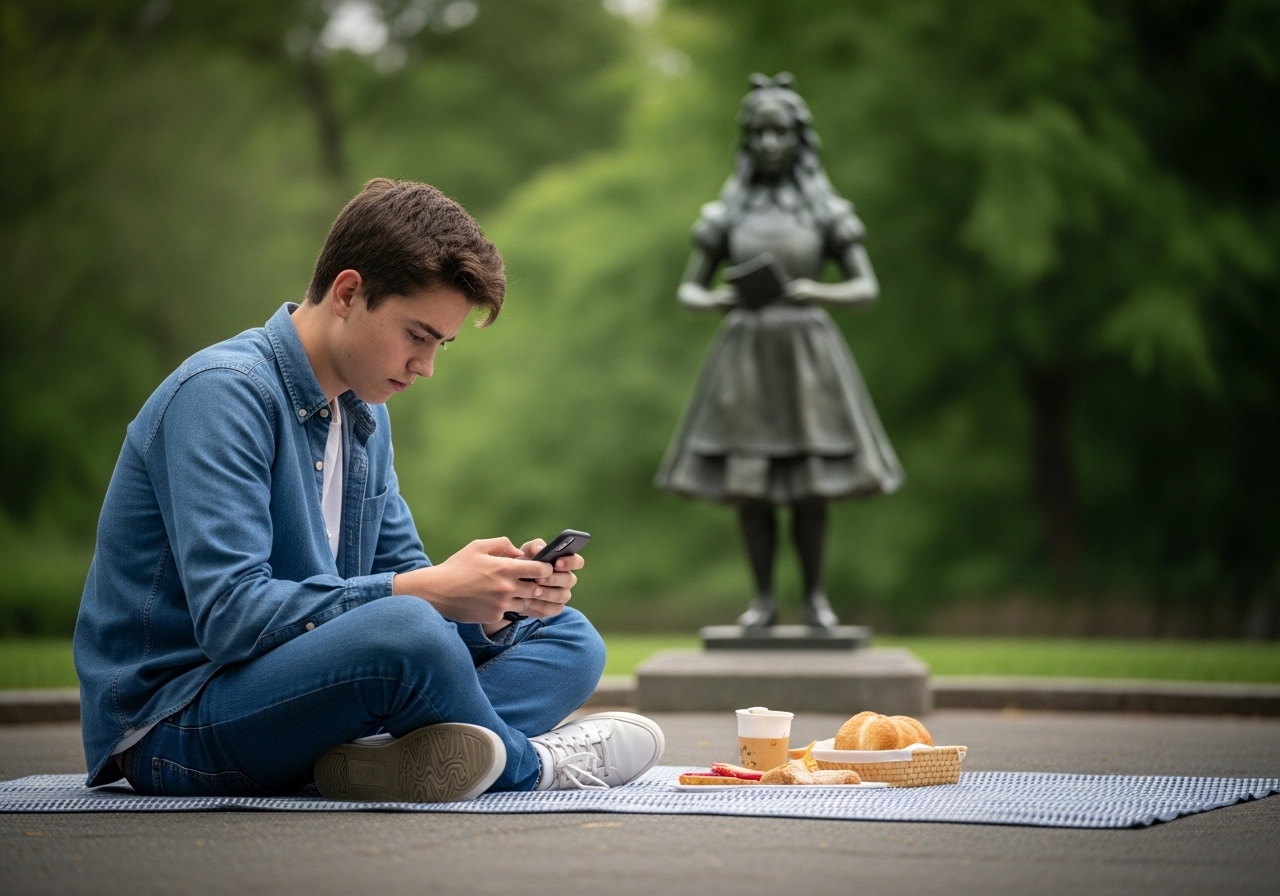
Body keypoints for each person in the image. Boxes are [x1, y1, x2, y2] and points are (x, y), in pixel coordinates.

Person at [73, 178, 664, 802]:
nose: (426, 367)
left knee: (568, 639)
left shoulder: (364, 412)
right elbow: (233, 618)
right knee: (409, 633)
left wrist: (493, 602)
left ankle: (382, 758)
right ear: (349, 293)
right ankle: (532, 767)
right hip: (177, 721)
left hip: (309, 698)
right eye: (417, 335)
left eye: (442, 344)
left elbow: (397, 574)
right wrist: (427, 592)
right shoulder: (222, 393)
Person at [655, 74, 904, 630]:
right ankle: (763, 599)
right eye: (759, 134)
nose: (769, 145)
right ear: (747, 141)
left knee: (810, 485)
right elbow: (689, 289)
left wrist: (816, 290)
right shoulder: (727, 214)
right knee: (754, 486)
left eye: (779, 134)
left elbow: (865, 287)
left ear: (798, 139)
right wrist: (719, 298)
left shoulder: (825, 211)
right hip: (746, 355)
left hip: (807, 355)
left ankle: (815, 599)